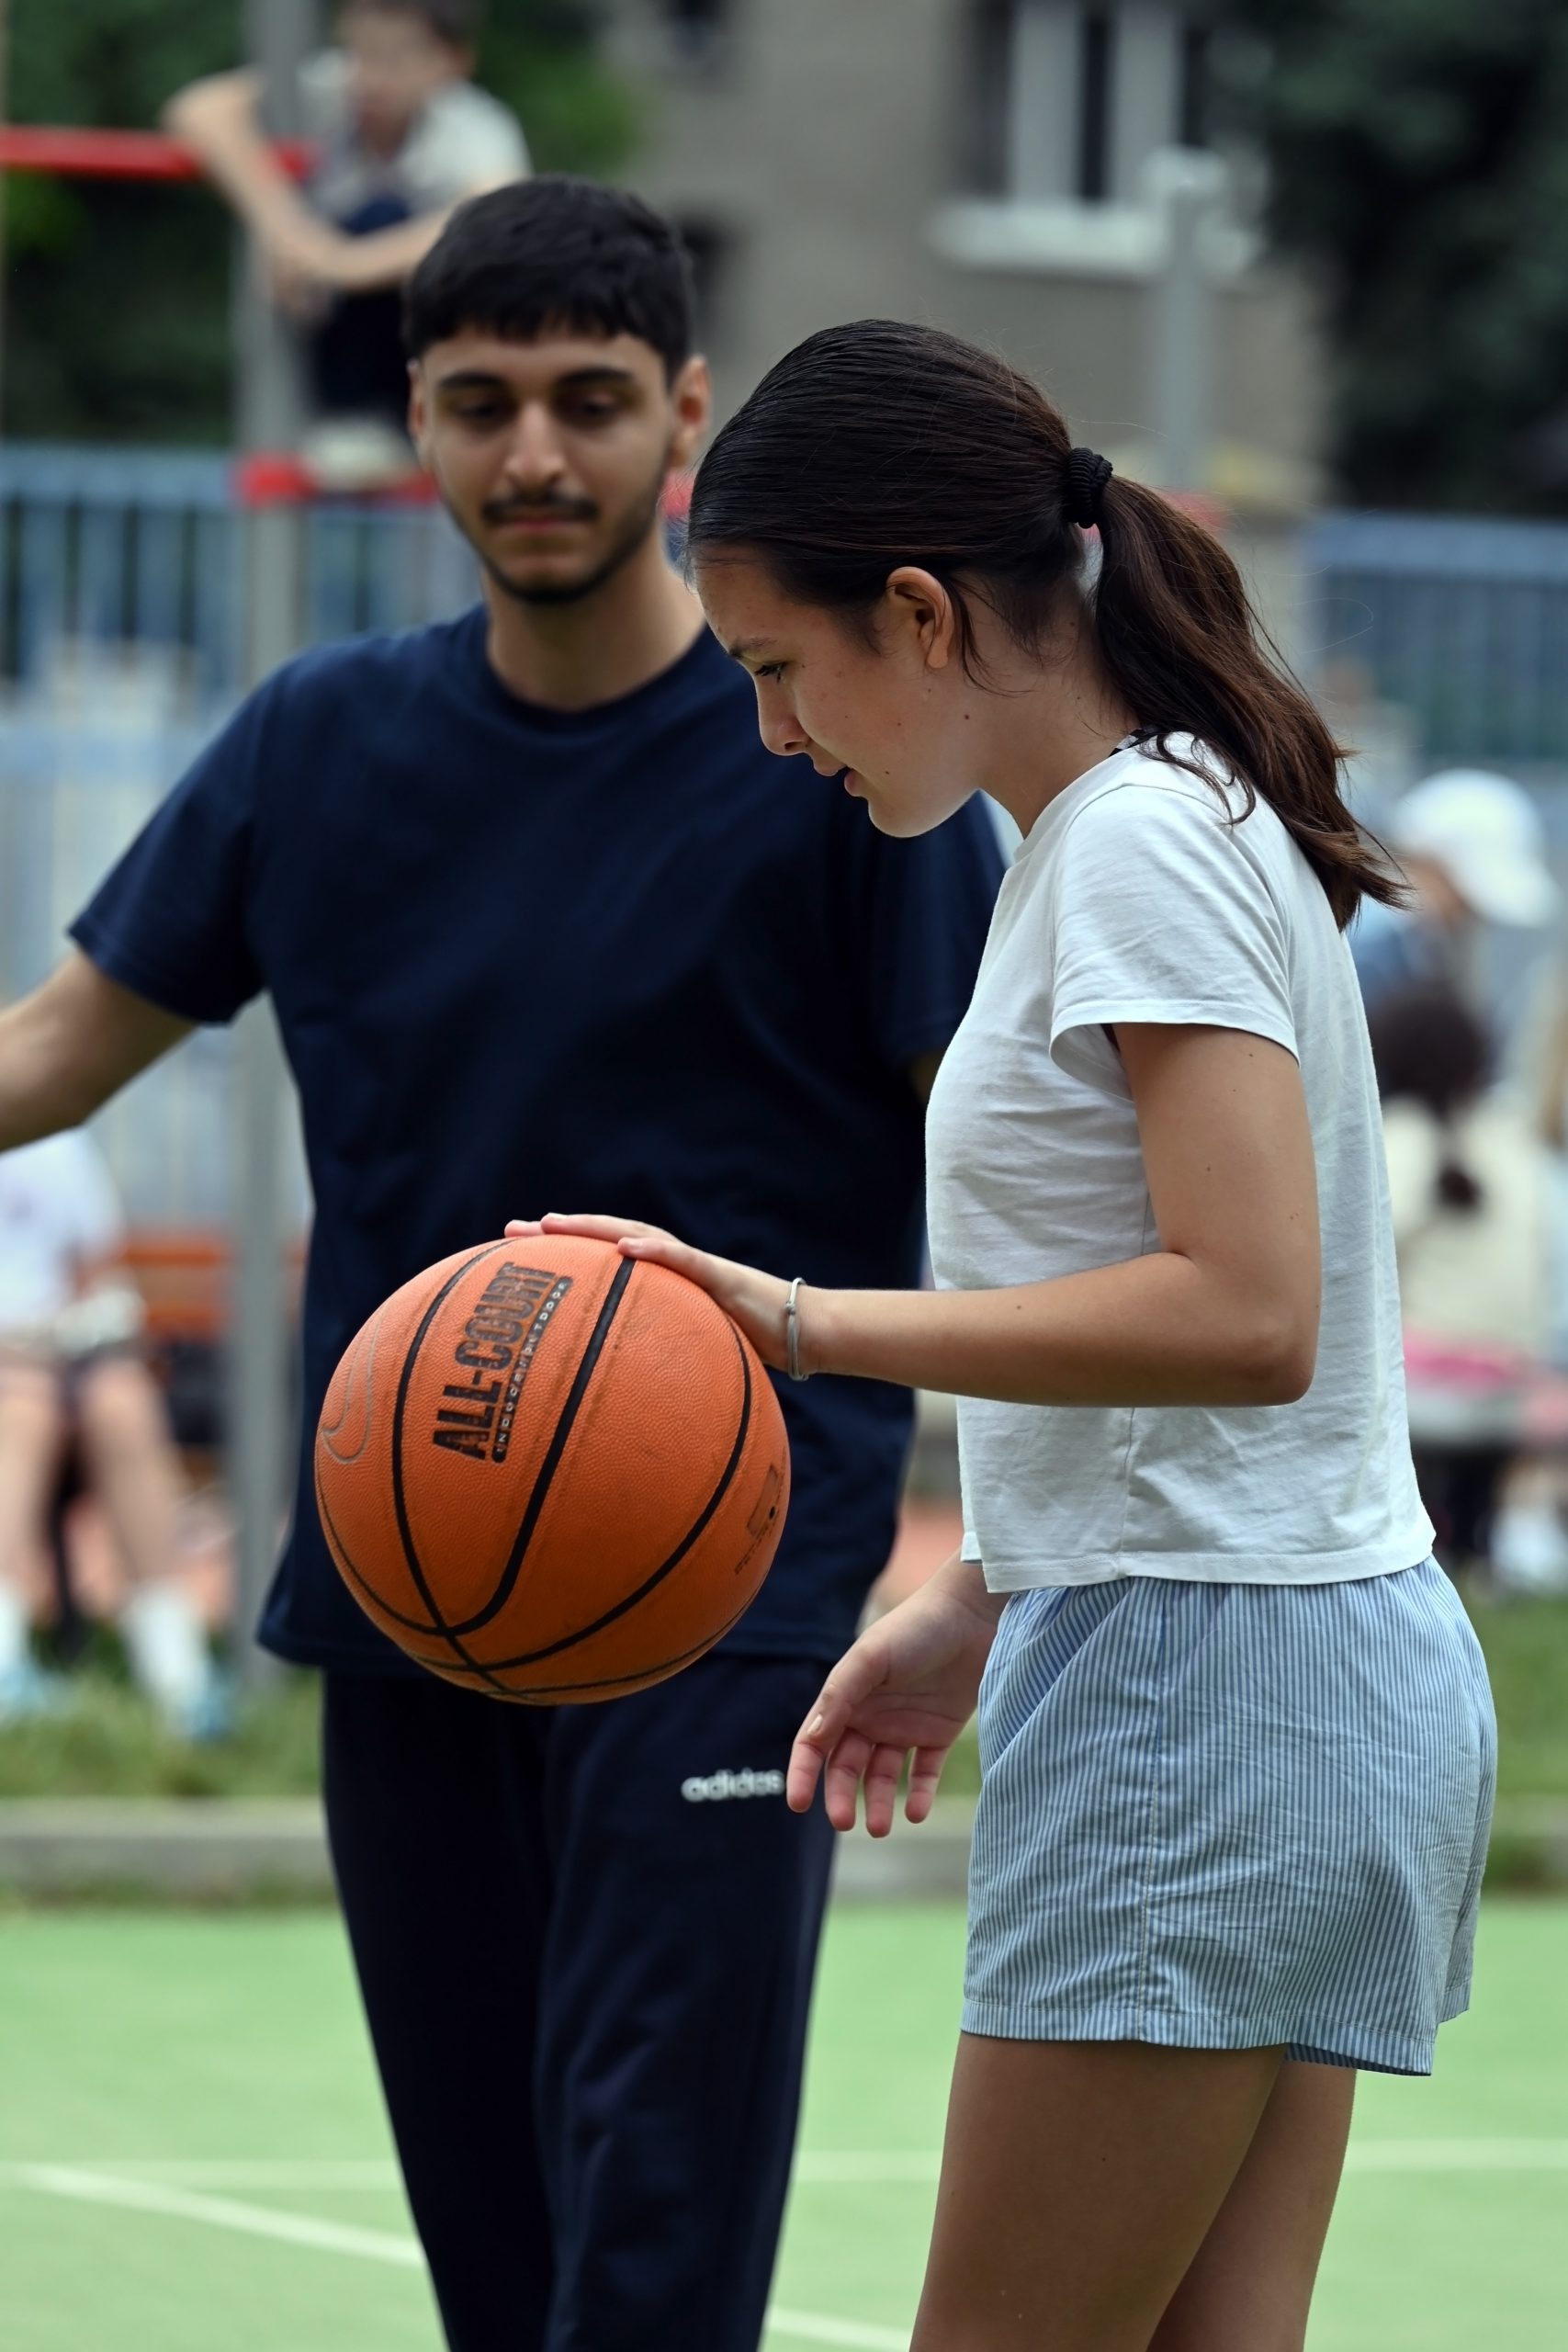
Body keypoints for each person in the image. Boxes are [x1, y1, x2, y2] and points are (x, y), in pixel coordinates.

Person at [0, 187, 1000, 2348]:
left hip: (729, 1576)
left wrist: (1011, 1527)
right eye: (478, 402)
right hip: (410, 1553)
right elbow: (56, 1055)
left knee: (650, 2243)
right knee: (491, 2243)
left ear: (684, 415)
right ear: (416, 422)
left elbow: (1009, 1153)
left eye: (586, 398)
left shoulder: (820, 745)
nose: (532, 450)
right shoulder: (316, 739)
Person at [516, 320, 1498, 2352]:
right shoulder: (1168, 814)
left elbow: (1245, 1312)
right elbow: (1222, 1337)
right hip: (1305, 1656)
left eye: (778, 668)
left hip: (1204, 1689)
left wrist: (795, 1320)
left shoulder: (1130, 846)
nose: (772, 734)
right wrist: (982, 1588)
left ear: (918, 611)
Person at [165, 0, 527, 482]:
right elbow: (199, 110)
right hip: (319, 328)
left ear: (451, 63)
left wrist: (340, 262)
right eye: (358, 52)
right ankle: (345, 421)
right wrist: (284, 226)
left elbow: (492, 216)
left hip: (427, 344)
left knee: (405, 227)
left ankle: (398, 419)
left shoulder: (472, 126)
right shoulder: (329, 90)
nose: (370, 77)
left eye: (395, 58)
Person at [0, 1129, 226, 1736]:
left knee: (122, 1402)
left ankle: (178, 1675)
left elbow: (98, 1273)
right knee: (24, 1407)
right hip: (18, 1384)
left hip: (59, 1358)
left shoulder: (56, 1142)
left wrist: (78, 1331)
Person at [1371, 984, 1568, 1588]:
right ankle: (1479, 1559)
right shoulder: (1509, 1134)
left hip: (1426, 1391)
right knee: (1472, 1509)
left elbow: (1368, 1252)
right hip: (1512, 1382)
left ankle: (1441, 1555)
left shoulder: (1401, 1135)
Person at [1350, 766, 1557, 1016]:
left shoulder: (1413, 950)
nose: (1472, 917)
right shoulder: (1375, 952)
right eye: (1466, 900)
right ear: (1434, 862)